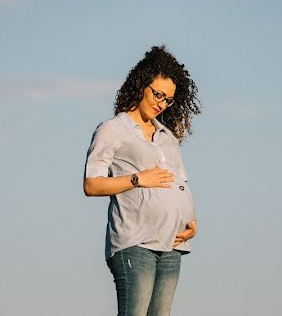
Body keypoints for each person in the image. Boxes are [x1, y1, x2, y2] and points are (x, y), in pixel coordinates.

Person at [83, 45, 201, 316]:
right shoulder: (113, 130)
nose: (161, 103)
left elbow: (180, 183)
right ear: (141, 85)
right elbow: (92, 184)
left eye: (168, 99)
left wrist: (191, 221)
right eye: (158, 94)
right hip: (134, 242)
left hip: (173, 244)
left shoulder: (167, 136)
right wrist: (138, 179)